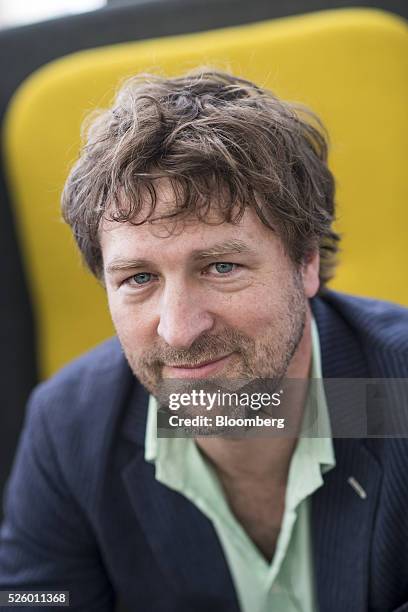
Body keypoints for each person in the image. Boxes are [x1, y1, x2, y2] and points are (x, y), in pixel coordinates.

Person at [0, 69, 407, 612]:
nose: (178, 329)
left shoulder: (395, 395)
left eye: (220, 266)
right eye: (138, 279)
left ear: (306, 261)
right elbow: (34, 598)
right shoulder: (70, 424)